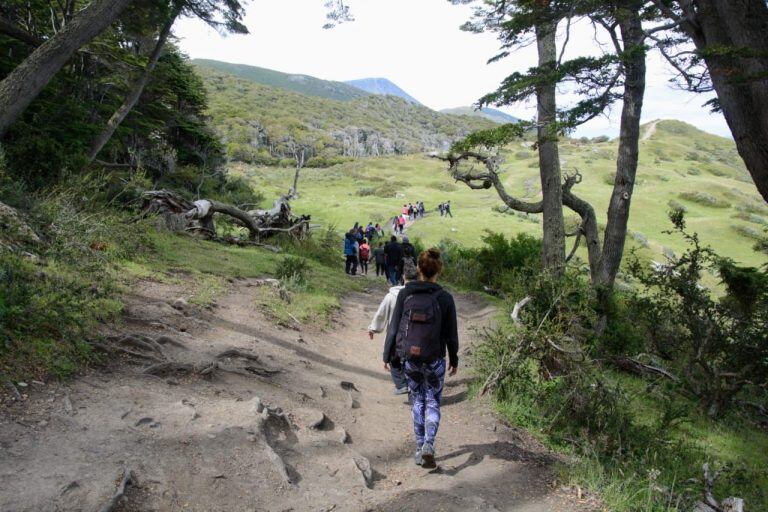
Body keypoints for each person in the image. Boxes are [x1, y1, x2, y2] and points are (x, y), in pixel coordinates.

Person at [383, 248, 459, 469]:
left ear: (418, 269)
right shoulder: (445, 298)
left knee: (417, 400)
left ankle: (419, 448)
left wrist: (387, 354)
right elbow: (451, 335)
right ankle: (429, 443)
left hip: (411, 359)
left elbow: (394, 326)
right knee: (433, 401)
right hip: (435, 359)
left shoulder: (406, 293)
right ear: (439, 271)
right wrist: (453, 359)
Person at [367, 260, 419, 395]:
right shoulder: (421, 295)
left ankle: (402, 384)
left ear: (403, 277)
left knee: (393, 358)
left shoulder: (391, 296)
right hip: (417, 335)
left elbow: (381, 314)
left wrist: (373, 328)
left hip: (396, 334)